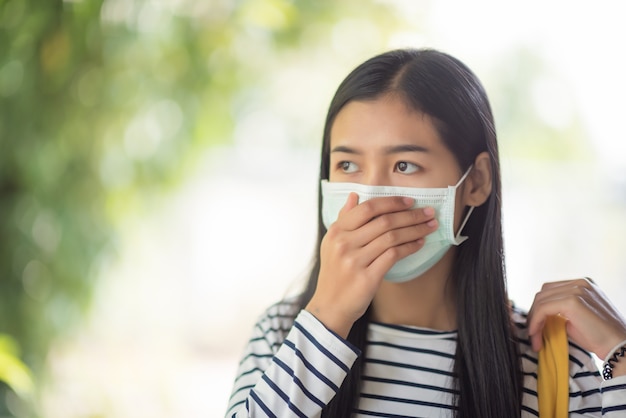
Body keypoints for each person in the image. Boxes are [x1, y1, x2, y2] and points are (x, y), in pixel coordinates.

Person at [225, 48, 626, 417]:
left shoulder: (551, 363)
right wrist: (327, 318)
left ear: (476, 182)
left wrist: (621, 353)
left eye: (404, 166)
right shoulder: (283, 334)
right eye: (348, 166)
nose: (369, 197)